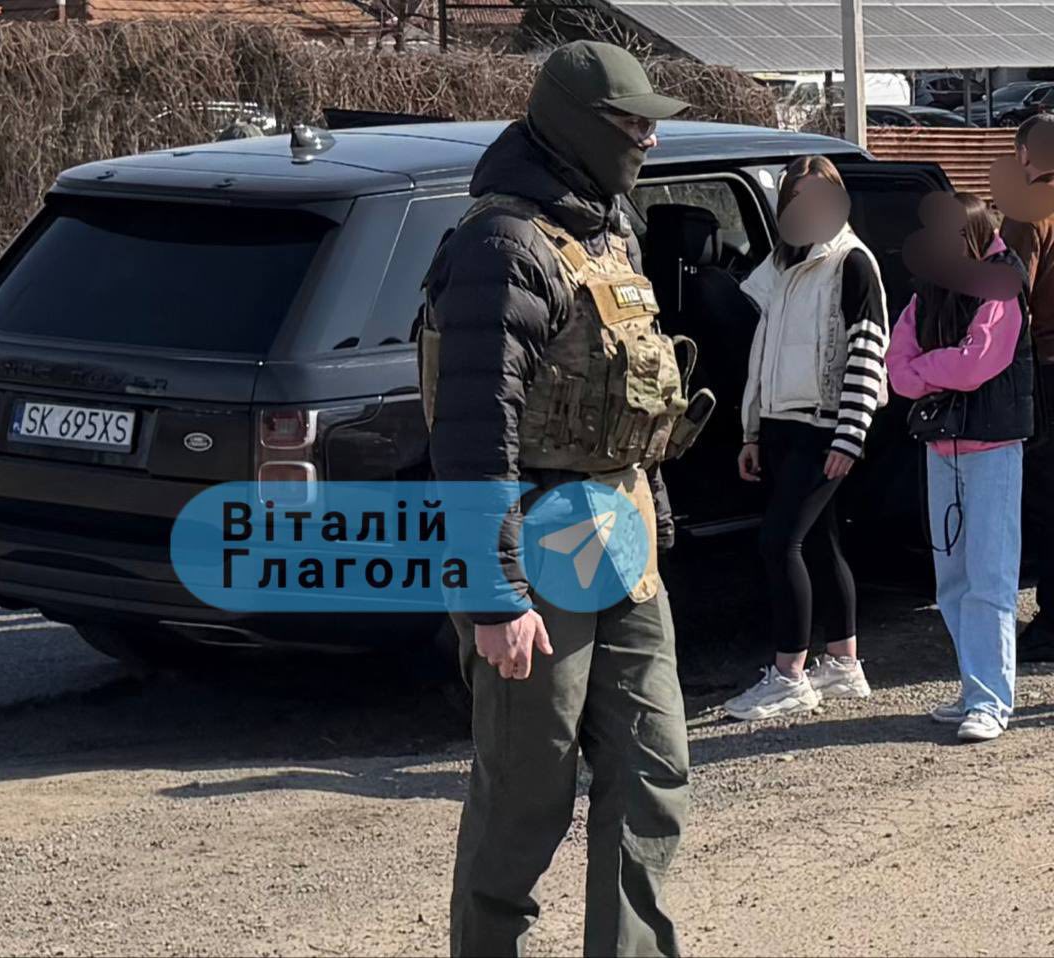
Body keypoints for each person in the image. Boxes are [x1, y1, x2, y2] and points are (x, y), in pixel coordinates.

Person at [420, 41, 711, 958]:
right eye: (632, 124)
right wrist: (494, 597)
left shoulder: (609, 230)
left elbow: (633, 398)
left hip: (621, 542)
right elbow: (475, 434)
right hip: (537, 553)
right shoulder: (500, 246)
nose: (648, 141)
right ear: (578, 126)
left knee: (653, 772)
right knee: (526, 793)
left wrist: (656, 514)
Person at [725, 155, 888, 722]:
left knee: (780, 542)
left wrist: (850, 436)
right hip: (781, 425)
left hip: (824, 427)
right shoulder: (782, 266)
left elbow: (869, 350)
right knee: (819, 541)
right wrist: (752, 430)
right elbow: (763, 357)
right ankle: (843, 663)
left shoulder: (851, 262)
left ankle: (789, 674)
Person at [888, 192, 1035, 741]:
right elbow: (895, 368)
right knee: (951, 580)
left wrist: (924, 369)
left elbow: (978, 364)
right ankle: (975, 686)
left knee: (990, 577)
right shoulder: (930, 284)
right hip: (942, 446)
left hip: (993, 448)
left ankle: (991, 701)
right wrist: (934, 369)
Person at [1000, 114, 1054, 663]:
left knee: (1046, 496)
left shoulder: (1028, 209)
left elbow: (1011, 296)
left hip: (1046, 366)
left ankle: (1052, 623)